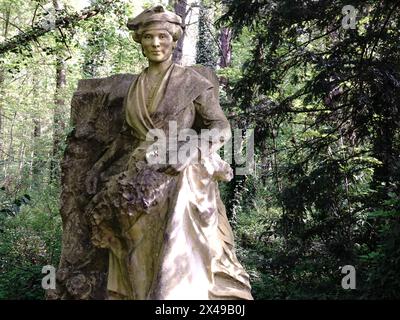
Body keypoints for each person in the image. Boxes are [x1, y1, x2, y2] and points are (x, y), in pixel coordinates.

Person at [85, 5, 253, 300]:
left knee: (174, 229)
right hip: (139, 171)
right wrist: (99, 166)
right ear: (141, 42)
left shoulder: (192, 83)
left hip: (179, 167)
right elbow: (127, 136)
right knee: (137, 247)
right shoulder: (134, 88)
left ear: (173, 40)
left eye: (162, 36)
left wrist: (192, 152)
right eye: (148, 37)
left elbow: (221, 127)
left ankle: (175, 296)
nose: (155, 43)